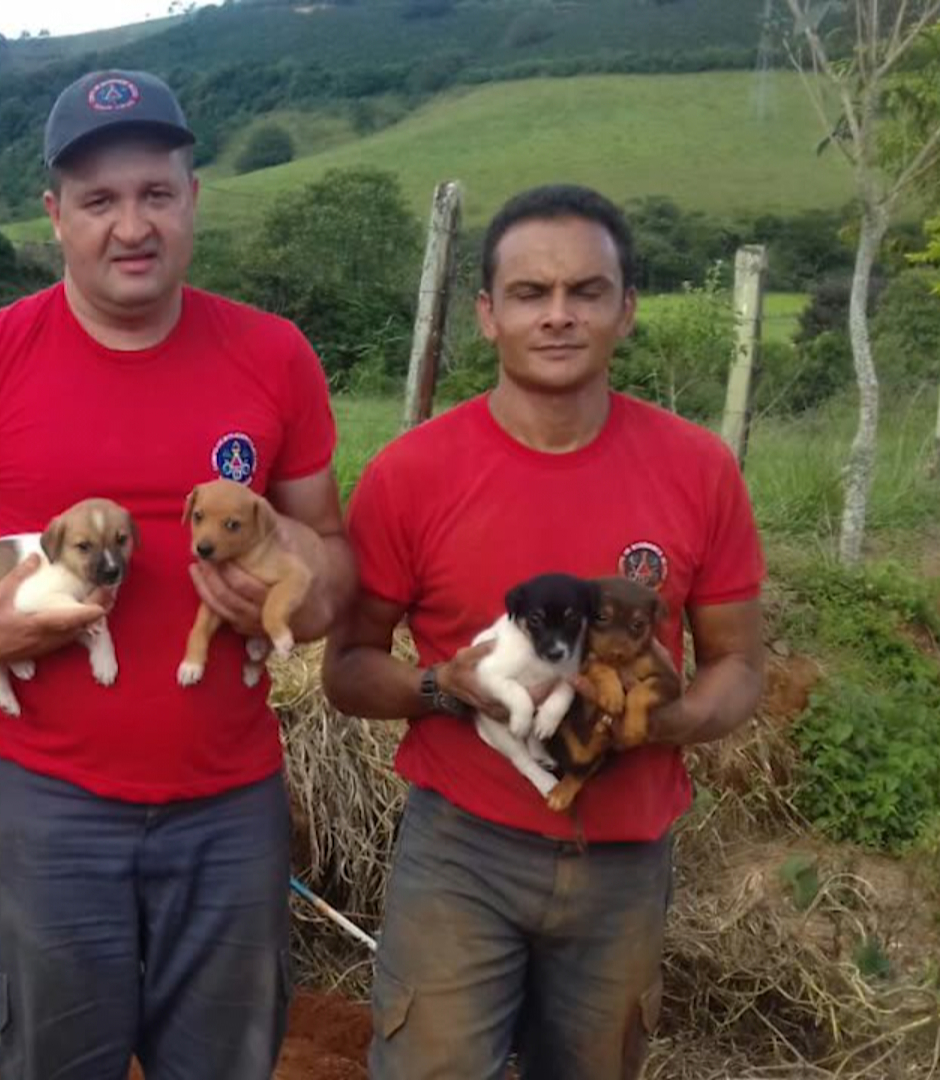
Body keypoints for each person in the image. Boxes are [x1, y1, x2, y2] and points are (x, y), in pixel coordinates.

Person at [0, 68, 356, 1079]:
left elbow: (338, 562)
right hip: (50, 806)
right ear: (54, 216)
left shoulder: (275, 358)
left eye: (155, 194)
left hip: (230, 806)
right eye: (98, 201)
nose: (131, 226)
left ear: (191, 200)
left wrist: (299, 579)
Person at [321, 183, 766, 1079]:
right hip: (462, 852)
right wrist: (443, 685)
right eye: (530, 293)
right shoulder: (413, 474)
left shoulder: (698, 469)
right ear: (487, 314)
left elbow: (740, 664)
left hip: (625, 859)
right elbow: (348, 669)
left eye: (586, 291)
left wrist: (666, 723)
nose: (558, 316)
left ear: (626, 309)